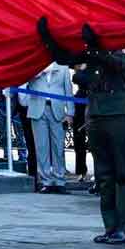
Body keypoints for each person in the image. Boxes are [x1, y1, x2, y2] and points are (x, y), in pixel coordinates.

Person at [40, 19, 125, 245]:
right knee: (104, 175)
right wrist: (49, 40)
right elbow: (65, 58)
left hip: (118, 113)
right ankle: (111, 226)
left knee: (123, 172)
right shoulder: (92, 50)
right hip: (96, 114)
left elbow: (119, 65)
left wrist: (96, 46)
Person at [18, 62, 74, 193]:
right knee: (41, 147)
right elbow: (23, 81)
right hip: (37, 109)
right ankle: (45, 181)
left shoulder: (63, 68)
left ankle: (60, 180)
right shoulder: (33, 65)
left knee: (58, 146)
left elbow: (68, 91)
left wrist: (70, 113)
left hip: (57, 109)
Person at [72, 65, 91, 182]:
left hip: (95, 101)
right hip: (80, 102)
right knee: (79, 138)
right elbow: (76, 77)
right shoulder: (79, 67)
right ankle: (81, 170)